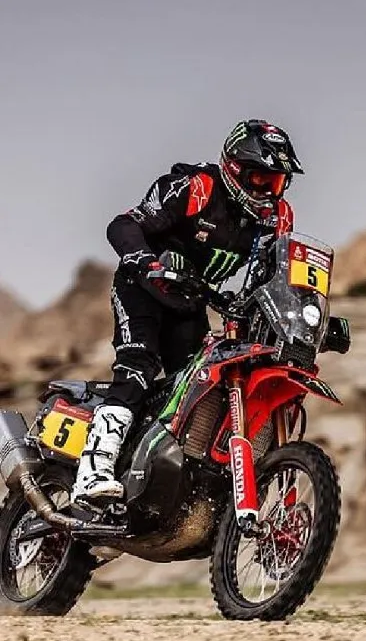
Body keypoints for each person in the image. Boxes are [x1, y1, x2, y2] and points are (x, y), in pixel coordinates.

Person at [72, 119, 349, 504]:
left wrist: (314, 317)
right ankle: (93, 471)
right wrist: (147, 263)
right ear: (235, 168)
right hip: (144, 289)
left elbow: (275, 277)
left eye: (277, 183)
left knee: (201, 385)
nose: (269, 191)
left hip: (192, 302)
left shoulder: (278, 217)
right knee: (138, 366)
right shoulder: (195, 188)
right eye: (261, 179)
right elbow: (124, 224)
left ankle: (171, 476)